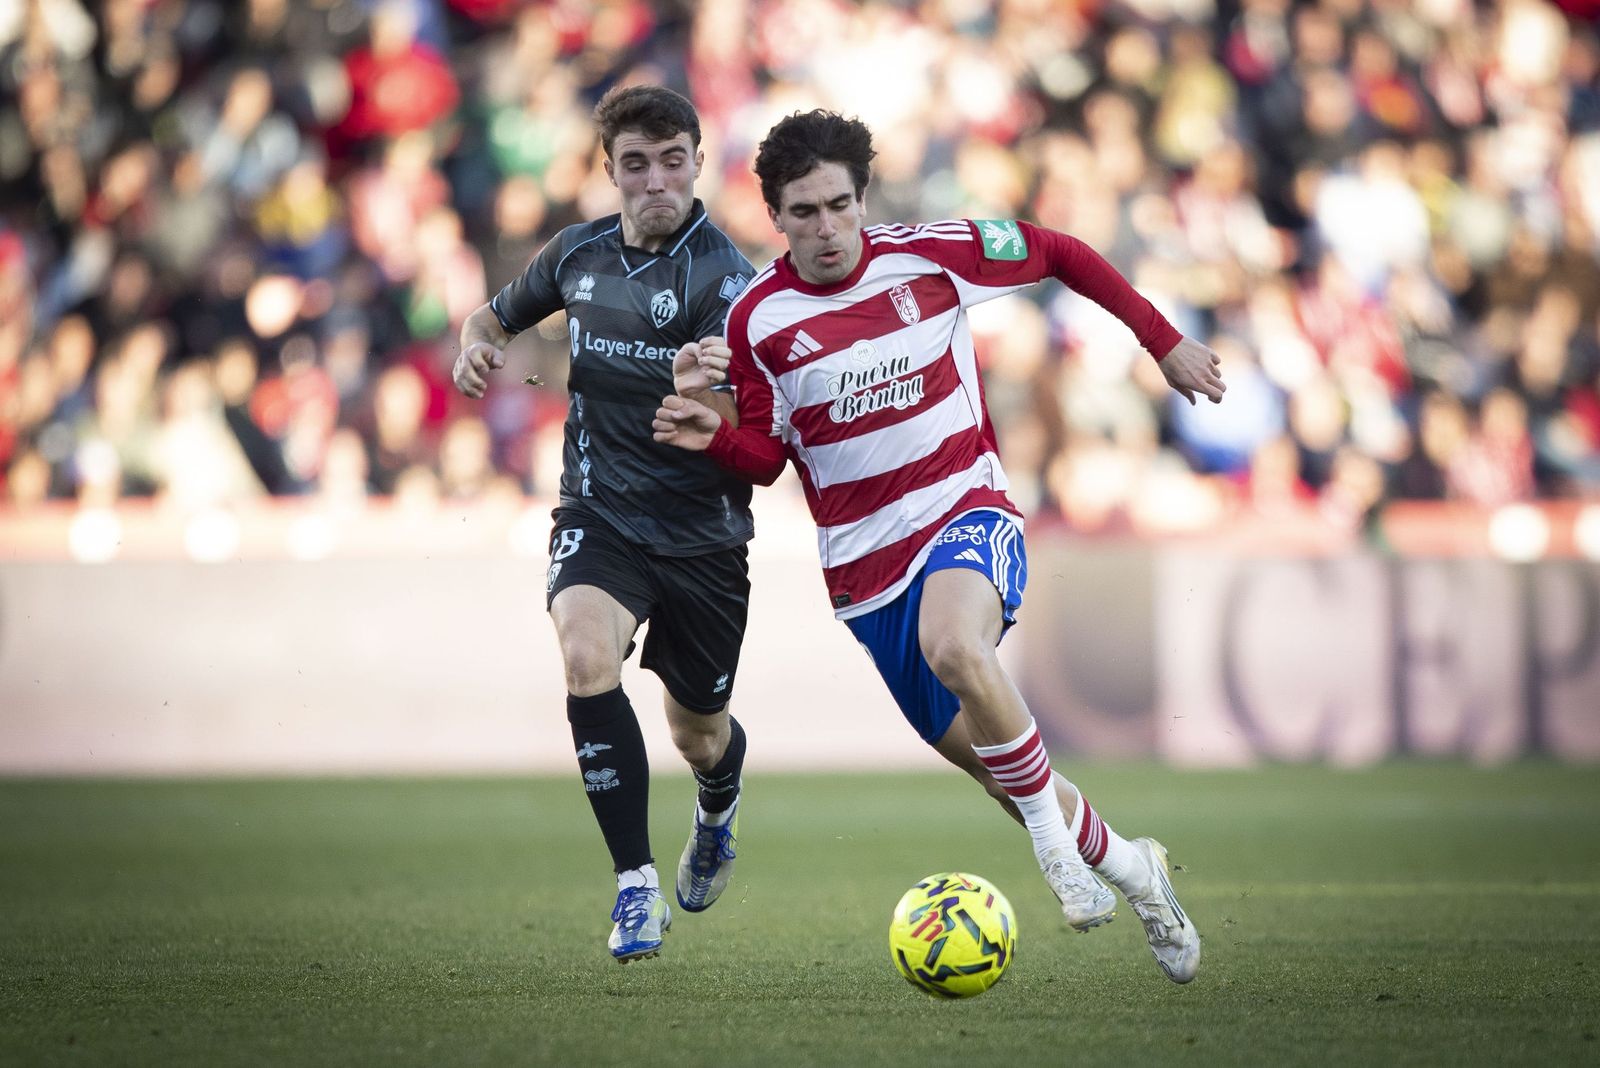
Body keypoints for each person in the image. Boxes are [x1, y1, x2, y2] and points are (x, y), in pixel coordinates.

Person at [653, 110, 1226, 984]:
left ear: (863, 199)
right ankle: (1137, 872)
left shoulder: (933, 252)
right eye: (803, 212)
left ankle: (1054, 854)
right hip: (865, 577)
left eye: (840, 205)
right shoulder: (757, 322)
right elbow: (767, 460)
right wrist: (712, 436)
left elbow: (1063, 253)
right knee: (1005, 774)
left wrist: (1163, 340)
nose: (827, 228)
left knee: (956, 645)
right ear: (776, 217)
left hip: (966, 508)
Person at [453, 85, 756, 963]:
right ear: (612, 170)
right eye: (636, 163)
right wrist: (478, 343)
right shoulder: (576, 253)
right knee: (585, 655)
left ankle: (719, 802)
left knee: (697, 731)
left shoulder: (725, 279)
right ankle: (634, 887)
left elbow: (753, 420)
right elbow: (490, 315)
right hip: (600, 511)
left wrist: (718, 396)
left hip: (703, 534)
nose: (655, 179)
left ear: (698, 161)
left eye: (672, 161)